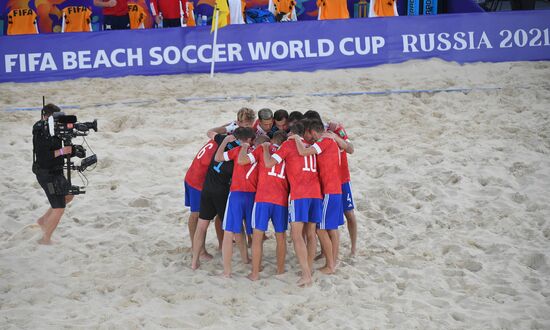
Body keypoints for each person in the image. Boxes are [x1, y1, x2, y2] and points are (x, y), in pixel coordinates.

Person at [262, 121, 322, 287]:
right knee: (311, 233)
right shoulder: (310, 145)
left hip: (300, 194)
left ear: (293, 133)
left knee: (296, 235)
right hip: (316, 193)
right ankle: (308, 268)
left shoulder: (288, 145)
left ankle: (306, 274)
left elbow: (268, 164)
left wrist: (265, 148)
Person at [291, 119, 343, 274]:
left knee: (321, 229)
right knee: (329, 229)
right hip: (333, 189)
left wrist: (295, 139)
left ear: (313, 132)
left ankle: (330, 265)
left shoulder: (325, 141)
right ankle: (332, 262)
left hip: (329, 190)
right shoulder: (331, 142)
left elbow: (303, 152)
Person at [191, 128, 247, 270]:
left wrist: (225, 133)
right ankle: (245, 258)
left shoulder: (223, 139)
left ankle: (194, 262)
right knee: (236, 227)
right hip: (221, 192)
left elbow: (209, 133)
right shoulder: (239, 152)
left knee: (202, 225)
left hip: (207, 188)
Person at [239, 131, 289, 281]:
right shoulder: (287, 151)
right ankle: (280, 271)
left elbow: (242, 161)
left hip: (263, 198)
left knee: (258, 236)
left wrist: (245, 146)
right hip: (281, 199)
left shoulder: (262, 149)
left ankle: (255, 273)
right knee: (281, 237)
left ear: (272, 140)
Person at [213, 128, 257, 277]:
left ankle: (227, 271)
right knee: (254, 233)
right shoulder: (259, 151)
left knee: (230, 232)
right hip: (253, 195)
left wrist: (225, 140)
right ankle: (248, 261)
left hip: (237, 194)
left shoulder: (238, 150)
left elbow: (218, 158)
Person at [32, 104, 74, 245]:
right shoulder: (41, 132)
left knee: (68, 195)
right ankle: (45, 239)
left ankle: (43, 220)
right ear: (46, 117)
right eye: (55, 119)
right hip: (46, 173)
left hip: (56, 170)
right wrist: (62, 151)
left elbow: (63, 149)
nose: (57, 122)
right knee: (59, 208)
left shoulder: (55, 129)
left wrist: (72, 150)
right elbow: (43, 157)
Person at [184, 138, 220, 259]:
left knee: (199, 215)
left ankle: (197, 248)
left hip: (193, 175)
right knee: (197, 215)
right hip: (197, 182)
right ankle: (199, 250)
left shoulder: (220, 135)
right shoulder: (225, 142)